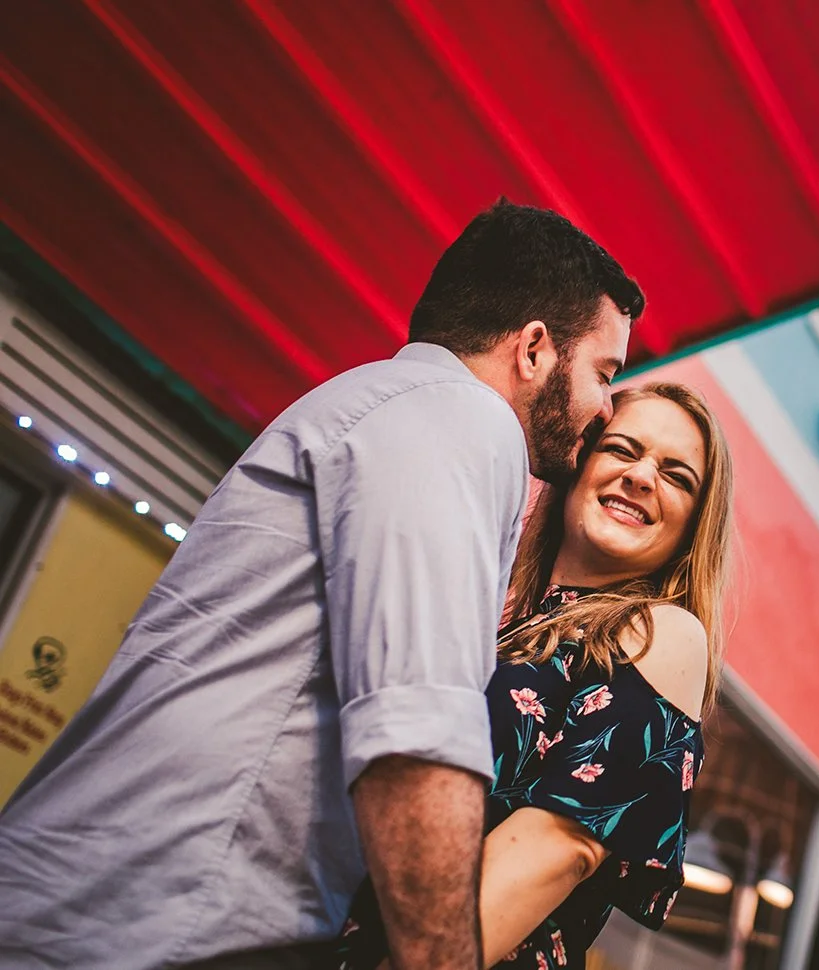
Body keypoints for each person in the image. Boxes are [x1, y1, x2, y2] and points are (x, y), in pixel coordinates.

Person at [0, 200, 644, 970]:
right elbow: (416, 727)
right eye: (604, 373)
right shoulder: (461, 418)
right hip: (165, 928)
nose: (605, 408)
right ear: (535, 349)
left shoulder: (381, 404)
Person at [333, 381, 734, 970]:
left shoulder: (664, 631)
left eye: (677, 477)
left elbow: (562, 845)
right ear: (578, 466)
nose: (642, 476)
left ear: (693, 526)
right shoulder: (510, 622)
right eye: (622, 449)